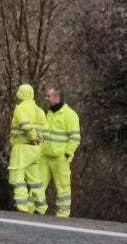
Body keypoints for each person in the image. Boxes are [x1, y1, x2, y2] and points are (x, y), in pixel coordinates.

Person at [39, 86, 81, 219]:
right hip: (45, 156)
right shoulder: (49, 113)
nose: (46, 98)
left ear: (57, 98)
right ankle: (31, 212)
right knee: (37, 185)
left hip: (60, 159)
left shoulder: (70, 115)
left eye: (48, 96)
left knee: (63, 189)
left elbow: (75, 138)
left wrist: (67, 154)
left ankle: (62, 216)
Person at [7, 84, 46, 214]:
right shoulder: (39, 111)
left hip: (22, 147)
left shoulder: (20, 109)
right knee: (35, 179)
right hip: (36, 149)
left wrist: (33, 137)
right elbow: (46, 129)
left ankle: (21, 204)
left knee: (16, 175)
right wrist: (39, 139)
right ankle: (41, 206)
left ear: (20, 94)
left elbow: (25, 125)